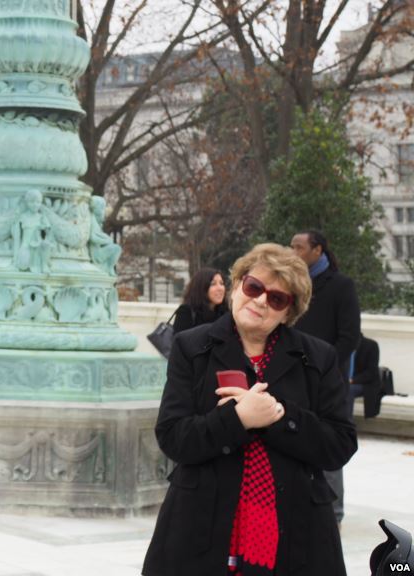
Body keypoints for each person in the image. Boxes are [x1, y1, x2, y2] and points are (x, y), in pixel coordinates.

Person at [142, 243, 356, 576]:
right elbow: (173, 436)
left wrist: (277, 416)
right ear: (238, 283)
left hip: (296, 533)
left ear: (288, 312)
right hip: (202, 530)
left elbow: (339, 445)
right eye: (254, 287)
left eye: (276, 298)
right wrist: (238, 419)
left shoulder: (318, 358)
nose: (259, 300)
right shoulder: (191, 347)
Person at [290, 229, 360, 524]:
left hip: (328, 382)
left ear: (317, 250)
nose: (293, 251)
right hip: (293, 377)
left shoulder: (341, 285)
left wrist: (324, 368)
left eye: (299, 247)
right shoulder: (292, 287)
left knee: (328, 444)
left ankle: (332, 513)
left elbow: (349, 337)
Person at [172, 267, 228, 334]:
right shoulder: (186, 311)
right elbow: (179, 342)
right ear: (201, 288)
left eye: (221, 283)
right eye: (213, 284)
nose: (220, 288)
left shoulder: (225, 312)